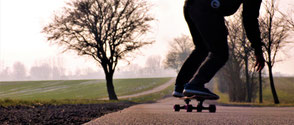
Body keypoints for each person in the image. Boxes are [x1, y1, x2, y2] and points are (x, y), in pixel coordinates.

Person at [172, 0, 265, 99]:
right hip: (207, 8)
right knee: (220, 53)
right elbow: (249, 19)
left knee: (202, 48)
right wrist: (258, 50)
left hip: (190, 6)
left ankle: (180, 86)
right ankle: (195, 84)